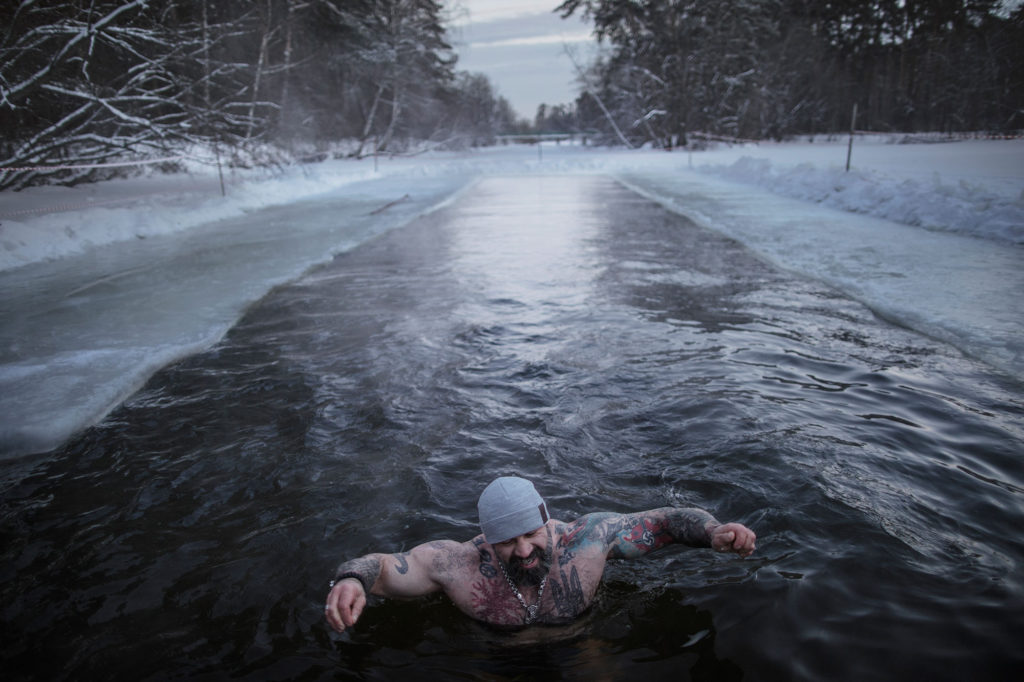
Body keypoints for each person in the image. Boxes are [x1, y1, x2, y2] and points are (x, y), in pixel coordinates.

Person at [325, 476, 756, 632]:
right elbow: (384, 565)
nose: (524, 550)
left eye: (531, 534)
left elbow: (664, 521)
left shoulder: (587, 539)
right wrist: (351, 580)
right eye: (507, 542)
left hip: (578, 641)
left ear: (546, 520)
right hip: (495, 654)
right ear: (487, 538)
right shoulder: (456, 562)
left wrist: (714, 531)